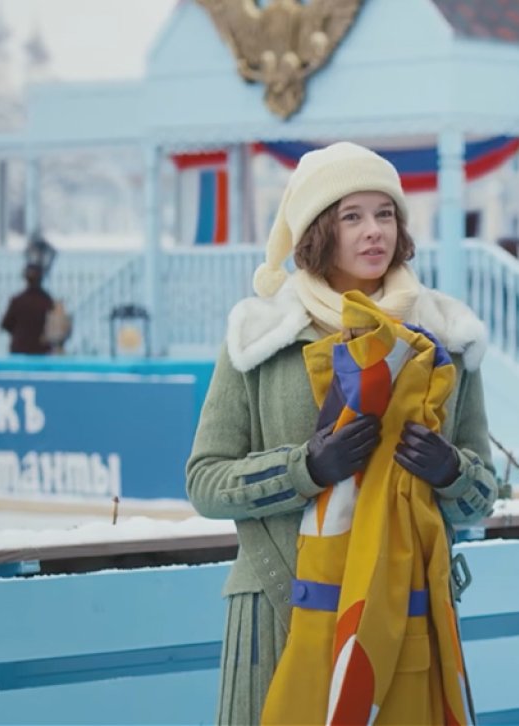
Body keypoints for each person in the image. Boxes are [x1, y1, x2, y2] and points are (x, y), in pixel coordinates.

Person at [186, 141, 498, 724]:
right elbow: (205, 481)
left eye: (385, 214)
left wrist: (451, 472)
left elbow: (484, 495)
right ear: (317, 231)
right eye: (351, 216)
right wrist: (304, 469)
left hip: (408, 613)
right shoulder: (263, 336)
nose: (374, 231)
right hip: (281, 608)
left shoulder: (445, 337)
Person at [1, 236, 56, 355]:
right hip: (42, 353)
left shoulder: (18, 301)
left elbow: (5, 324)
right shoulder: (47, 301)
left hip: (20, 351)